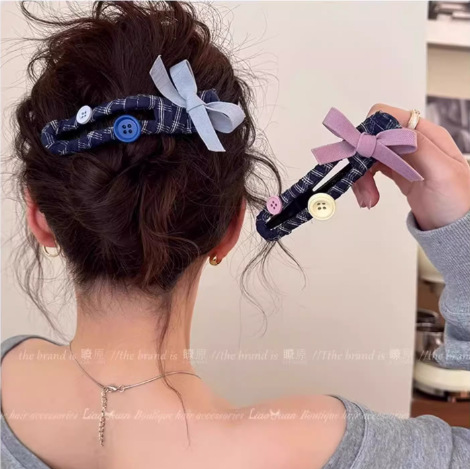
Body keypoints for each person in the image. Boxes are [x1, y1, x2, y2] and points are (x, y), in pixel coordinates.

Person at [2, 2, 469, 468]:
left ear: (40, 217)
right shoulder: (313, 446)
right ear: (231, 227)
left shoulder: (10, 369)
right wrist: (461, 233)